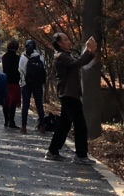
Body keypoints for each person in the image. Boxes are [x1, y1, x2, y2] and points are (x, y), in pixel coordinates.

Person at [46, 33, 99, 163]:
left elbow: (78, 62)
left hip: (70, 94)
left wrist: (89, 51)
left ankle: (53, 151)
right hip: (68, 95)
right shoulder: (61, 56)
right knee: (80, 125)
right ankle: (81, 155)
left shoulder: (65, 55)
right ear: (59, 43)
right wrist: (89, 50)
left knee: (64, 125)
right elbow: (77, 63)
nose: (69, 41)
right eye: (65, 39)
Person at [21, 38, 47, 134]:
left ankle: (24, 127)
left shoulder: (23, 57)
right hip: (38, 84)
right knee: (39, 104)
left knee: (25, 105)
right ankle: (43, 126)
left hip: (26, 83)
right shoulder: (40, 57)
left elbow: (21, 70)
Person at [1, 39, 23, 128]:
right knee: (12, 102)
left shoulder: (4, 56)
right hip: (15, 82)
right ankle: (11, 121)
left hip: (5, 80)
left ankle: (6, 120)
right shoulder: (18, 58)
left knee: (5, 102)